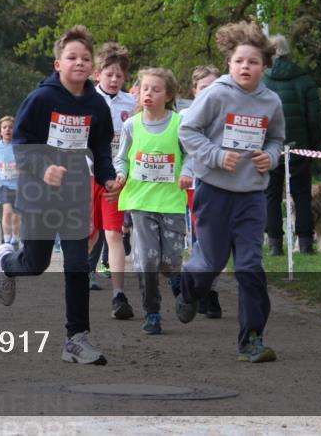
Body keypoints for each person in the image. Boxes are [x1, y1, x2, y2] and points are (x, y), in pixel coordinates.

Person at [0, 25, 119, 365]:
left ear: (92, 65)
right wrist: (42, 166)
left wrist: (107, 178)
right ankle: (6, 263)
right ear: (57, 64)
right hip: (39, 192)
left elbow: (100, 148)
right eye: (71, 57)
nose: (79, 62)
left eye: (85, 58)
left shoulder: (96, 104)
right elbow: (19, 143)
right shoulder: (41, 99)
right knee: (36, 263)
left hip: (76, 190)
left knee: (78, 265)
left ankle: (76, 339)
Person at [175, 19, 285, 363]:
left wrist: (271, 157)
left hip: (252, 195)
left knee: (250, 265)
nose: (245, 67)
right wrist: (217, 156)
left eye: (253, 62)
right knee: (210, 262)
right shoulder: (216, 94)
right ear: (229, 64)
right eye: (239, 61)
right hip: (215, 191)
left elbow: (277, 139)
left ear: (265, 67)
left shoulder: (272, 102)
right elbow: (188, 131)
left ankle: (251, 339)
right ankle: (188, 286)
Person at [114, 68, 188, 335]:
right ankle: (152, 313)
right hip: (140, 201)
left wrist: (188, 173)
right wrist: (121, 173)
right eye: (145, 88)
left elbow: (191, 155)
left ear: (168, 95)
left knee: (169, 261)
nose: (149, 93)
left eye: (156, 89)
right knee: (147, 261)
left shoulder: (180, 123)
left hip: (171, 202)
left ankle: (180, 284)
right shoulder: (131, 125)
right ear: (137, 92)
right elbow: (121, 157)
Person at [263, 35, 321, 256]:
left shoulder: (262, 80)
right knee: (301, 195)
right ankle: (306, 242)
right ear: (288, 54)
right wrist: (312, 146)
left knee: (271, 195)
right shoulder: (304, 79)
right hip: (299, 147)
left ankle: (274, 244)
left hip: (269, 147)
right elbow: (315, 117)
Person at [89, 42, 137, 320]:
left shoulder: (131, 105)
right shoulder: (85, 99)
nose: (115, 80)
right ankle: (78, 280)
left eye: (119, 76)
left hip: (115, 178)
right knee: (89, 233)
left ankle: (119, 294)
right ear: (98, 74)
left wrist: (125, 172)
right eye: (109, 75)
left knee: (114, 234)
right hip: (87, 175)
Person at [175, 64, 223, 319]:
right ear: (194, 90)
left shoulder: (226, 115)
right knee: (200, 239)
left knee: (217, 241)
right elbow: (179, 152)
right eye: (204, 87)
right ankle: (201, 289)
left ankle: (206, 288)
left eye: (214, 87)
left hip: (222, 184)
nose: (209, 92)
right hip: (192, 186)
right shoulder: (185, 118)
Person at [0, 116, 20, 248]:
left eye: (11, 127)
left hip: (20, 185)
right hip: (5, 185)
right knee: (7, 212)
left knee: (16, 215)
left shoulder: (20, 145)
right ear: (0, 131)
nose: (8, 129)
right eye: (4, 127)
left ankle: (15, 238)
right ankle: (7, 240)